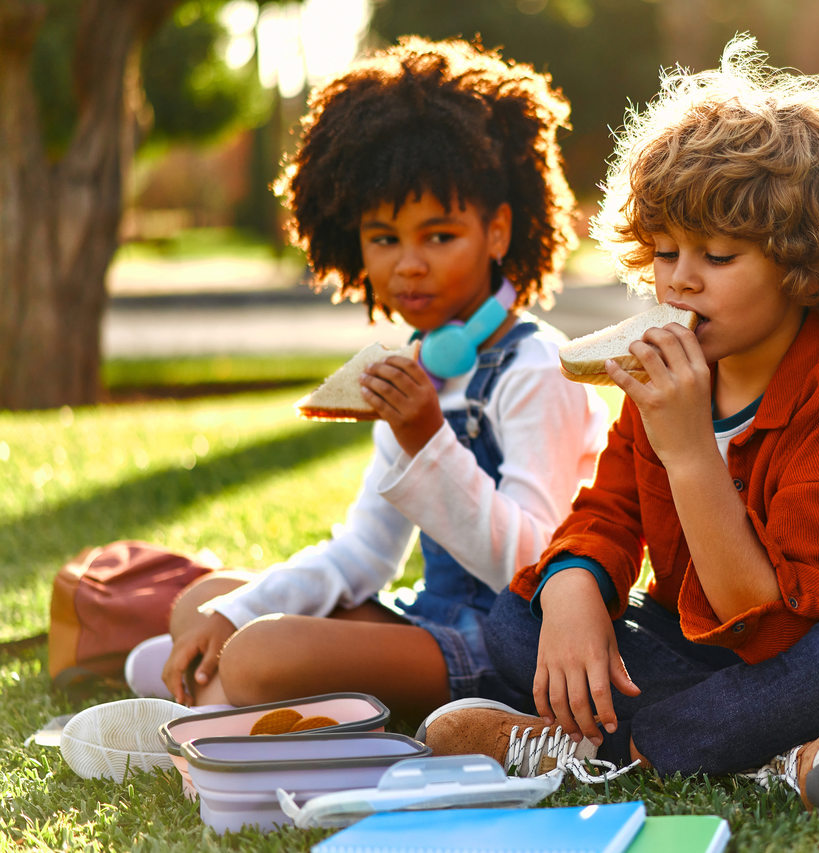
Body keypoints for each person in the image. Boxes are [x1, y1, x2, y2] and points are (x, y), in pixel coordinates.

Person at [417, 35, 819, 810]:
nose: (680, 278)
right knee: (525, 614)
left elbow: (780, 631)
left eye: (717, 255)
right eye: (665, 250)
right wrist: (577, 586)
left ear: (802, 261)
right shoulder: (670, 366)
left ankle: (634, 748)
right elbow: (605, 513)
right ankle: (783, 749)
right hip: (721, 656)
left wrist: (687, 450)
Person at [137, 37, 609, 721]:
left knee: (258, 656)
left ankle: (213, 694)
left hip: (514, 648)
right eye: (384, 238)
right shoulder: (417, 367)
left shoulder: (537, 369)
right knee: (200, 601)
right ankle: (210, 688)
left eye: (438, 236)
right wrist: (235, 609)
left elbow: (533, 567)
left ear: (498, 231)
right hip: (430, 623)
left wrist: (426, 438)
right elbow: (364, 552)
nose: (408, 265)